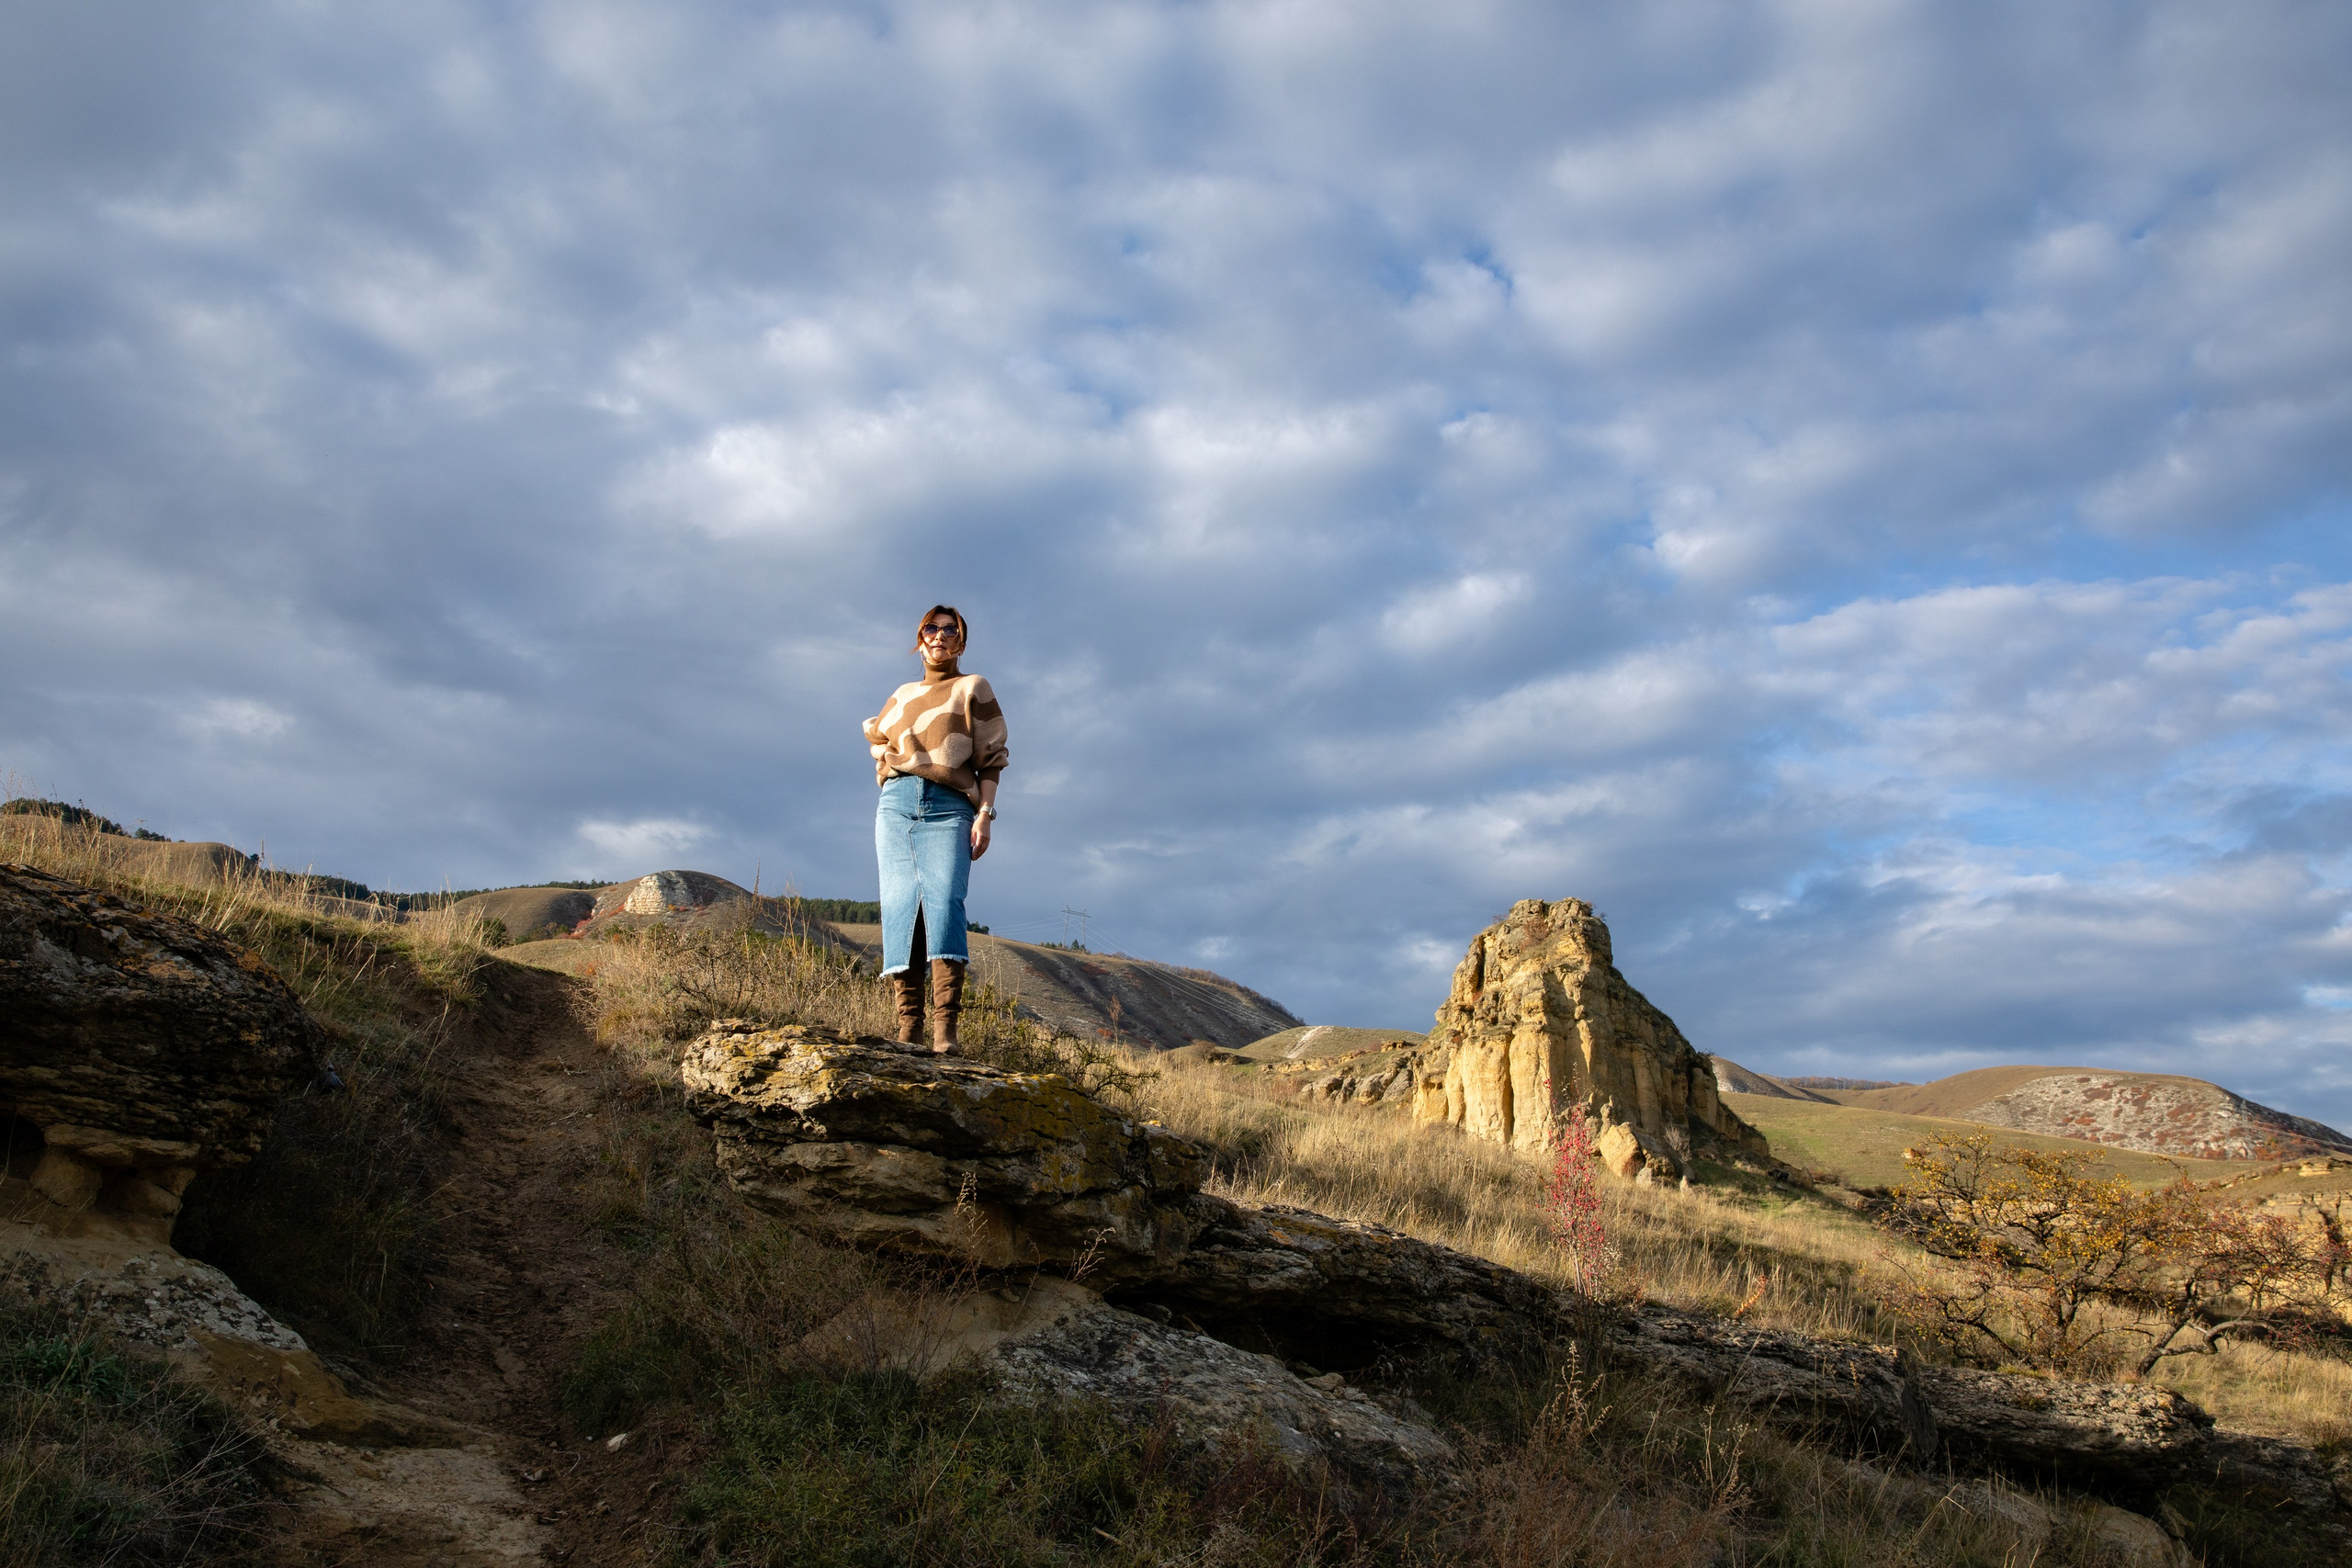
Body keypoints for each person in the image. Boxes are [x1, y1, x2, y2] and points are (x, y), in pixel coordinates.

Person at [862, 604, 1006, 1052]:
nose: (939, 636)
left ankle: (945, 1030)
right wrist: (888, 769)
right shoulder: (902, 695)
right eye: (931, 628)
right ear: (919, 639)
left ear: (961, 642)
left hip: (951, 806)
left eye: (950, 630)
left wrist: (985, 814)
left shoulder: (972, 688)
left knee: (945, 902)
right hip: (898, 804)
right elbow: (879, 741)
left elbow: (992, 758)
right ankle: (909, 1028)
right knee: (904, 906)